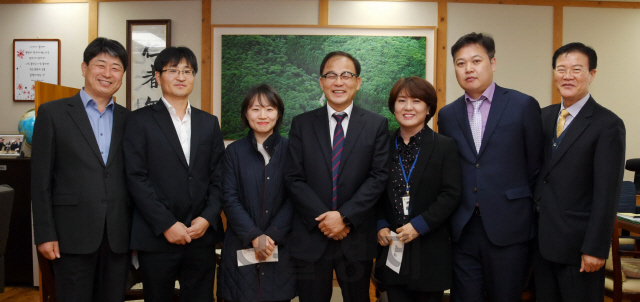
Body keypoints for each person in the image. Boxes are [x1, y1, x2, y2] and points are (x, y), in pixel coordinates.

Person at [437, 32, 543, 302]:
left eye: (476, 61)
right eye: (460, 63)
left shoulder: (523, 105)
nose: (468, 69)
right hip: (463, 226)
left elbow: (535, 167)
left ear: (493, 63)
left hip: (510, 225)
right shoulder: (447, 115)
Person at [31, 37, 131, 302]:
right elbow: (40, 180)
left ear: (122, 75)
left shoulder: (128, 119)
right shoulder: (52, 114)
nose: (107, 74)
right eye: (101, 64)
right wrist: (44, 234)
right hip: (70, 235)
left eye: (116, 67)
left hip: (118, 236)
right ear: (84, 67)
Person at [285, 51, 390, 302]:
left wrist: (344, 217)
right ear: (321, 82)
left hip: (355, 238)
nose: (338, 82)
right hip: (312, 237)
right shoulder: (302, 124)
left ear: (358, 82)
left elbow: (378, 177)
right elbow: (293, 177)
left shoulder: (376, 125)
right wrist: (325, 220)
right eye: (331, 75)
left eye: (346, 75)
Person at [123, 46, 225, 302]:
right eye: (173, 70)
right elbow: (136, 177)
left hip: (200, 235)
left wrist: (207, 218)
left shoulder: (208, 122)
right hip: (157, 236)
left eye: (187, 71)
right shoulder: (138, 121)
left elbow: (218, 176)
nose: (181, 76)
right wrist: (166, 224)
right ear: (158, 76)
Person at [533, 42, 625, 301]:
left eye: (576, 69)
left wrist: (596, 249)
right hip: (541, 242)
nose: (567, 76)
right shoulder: (543, 117)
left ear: (592, 74)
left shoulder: (607, 125)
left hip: (579, 247)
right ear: (553, 73)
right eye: (561, 69)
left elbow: (608, 193)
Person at [375, 77, 462, 302]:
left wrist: (419, 225)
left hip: (430, 247)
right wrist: (381, 225)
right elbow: (372, 189)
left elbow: (451, 194)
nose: (408, 107)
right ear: (393, 106)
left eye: (416, 101)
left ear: (428, 107)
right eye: (401, 100)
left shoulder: (445, 146)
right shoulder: (381, 145)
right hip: (392, 245)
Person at [217, 84, 296, 302]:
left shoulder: (292, 150)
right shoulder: (234, 152)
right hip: (241, 244)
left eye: (270, 109)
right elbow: (228, 198)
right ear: (245, 113)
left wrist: (271, 235)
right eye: (255, 109)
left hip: (280, 245)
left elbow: (295, 198)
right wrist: (254, 235)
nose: (263, 115)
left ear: (278, 113)